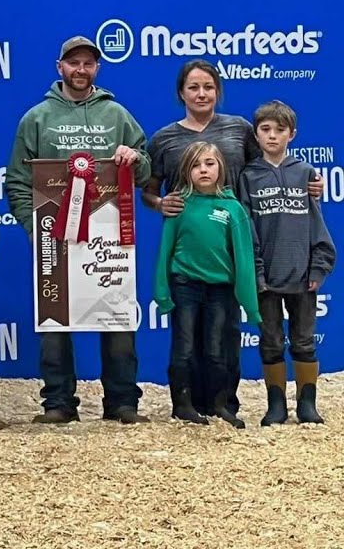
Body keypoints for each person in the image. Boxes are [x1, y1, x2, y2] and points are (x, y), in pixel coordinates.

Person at [143, 60, 324, 418]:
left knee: (225, 334)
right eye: (193, 87)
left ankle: (225, 402)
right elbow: (149, 190)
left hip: (233, 249)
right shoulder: (164, 138)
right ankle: (188, 404)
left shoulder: (239, 129)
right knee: (187, 336)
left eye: (208, 87)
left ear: (218, 91)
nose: (201, 94)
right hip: (190, 250)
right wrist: (160, 203)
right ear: (181, 92)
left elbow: (269, 169)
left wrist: (309, 182)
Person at [5, 35, 152, 424]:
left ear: (97, 69)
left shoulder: (117, 115)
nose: (81, 70)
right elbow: (18, 180)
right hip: (56, 235)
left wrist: (135, 158)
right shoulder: (36, 118)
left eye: (88, 63)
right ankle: (58, 402)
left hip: (109, 236)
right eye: (74, 63)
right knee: (54, 319)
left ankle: (122, 401)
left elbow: (146, 169)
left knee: (117, 316)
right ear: (60, 68)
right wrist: (34, 226)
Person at [237, 100, 336, 425]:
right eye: (265, 129)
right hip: (265, 277)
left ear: (291, 134)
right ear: (256, 134)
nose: (272, 135)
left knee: (305, 342)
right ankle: (275, 405)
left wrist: (318, 266)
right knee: (270, 342)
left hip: (303, 275)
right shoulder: (248, 176)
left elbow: (316, 223)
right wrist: (256, 273)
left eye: (279, 130)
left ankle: (307, 404)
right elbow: (246, 228)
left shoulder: (305, 173)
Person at [153, 141, 261, 428]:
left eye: (209, 163)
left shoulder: (233, 209)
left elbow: (243, 260)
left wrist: (251, 305)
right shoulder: (179, 206)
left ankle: (219, 405)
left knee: (216, 350)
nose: (203, 170)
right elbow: (165, 251)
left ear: (221, 168)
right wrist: (162, 292)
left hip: (220, 290)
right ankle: (182, 405)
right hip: (185, 285)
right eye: (195, 165)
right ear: (186, 171)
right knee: (184, 347)